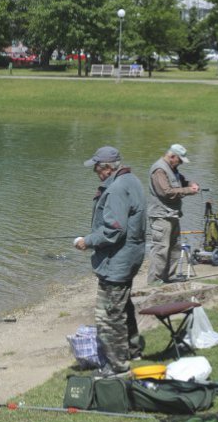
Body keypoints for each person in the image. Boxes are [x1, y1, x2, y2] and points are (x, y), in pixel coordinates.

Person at [75, 146, 147, 377]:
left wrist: (87, 241)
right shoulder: (132, 179)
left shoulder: (116, 189)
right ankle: (133, 350)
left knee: (108, 316)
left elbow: (113, 231)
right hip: (131, 256)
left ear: (107, 168)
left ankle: (116, 366)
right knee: (123, 306)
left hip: (118, 261)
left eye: (97, 167)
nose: (95, 172)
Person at [147, 144, 200, 285]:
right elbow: (166, 192)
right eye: (180, 160)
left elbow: (182, 181)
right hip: (161, 216)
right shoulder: (159, 170)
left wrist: (191, 183)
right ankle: (154, 282)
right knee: (161, 250)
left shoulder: (172, 168)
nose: (181, 163)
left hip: (173, 215)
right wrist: (188, 190)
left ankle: (169, 278)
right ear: (172, 156)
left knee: (175, 247)